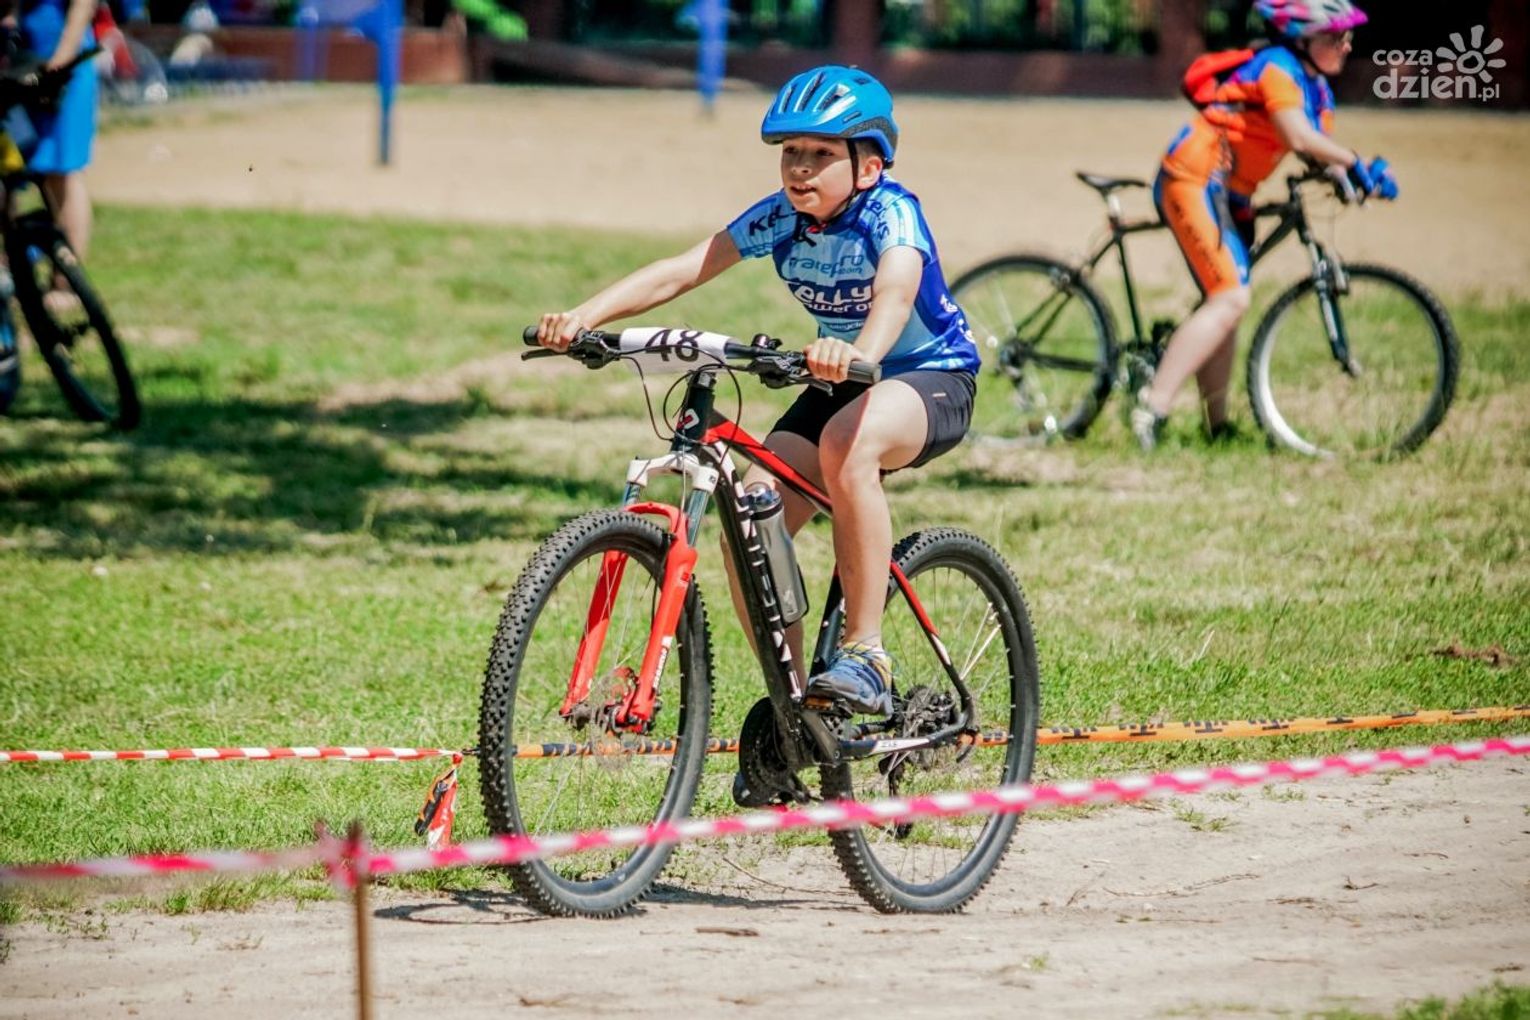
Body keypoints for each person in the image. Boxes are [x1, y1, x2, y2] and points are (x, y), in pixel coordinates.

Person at [536, 65, 980, 724]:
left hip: (928, 374)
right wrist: (584, 317)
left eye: (822, 154)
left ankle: (867, 653)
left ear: (868, 165)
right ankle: (797, 705)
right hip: (842, 378)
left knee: (846, 445)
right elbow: (685, 269)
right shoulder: (781, 218)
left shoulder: (891, 212)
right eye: (790, 151)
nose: (800, 167)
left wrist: (860, 352)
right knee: (749, 512)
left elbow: (894, 291)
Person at [1132, 0, 1397, 450]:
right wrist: (1353, 160)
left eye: (1348, 36)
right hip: (1194, 179)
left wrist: (1358, 178)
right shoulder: (1277, 67)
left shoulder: (1316, 88)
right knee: (1230, 297)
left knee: (1225, 304)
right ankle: (1151, 409)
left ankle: (1216, 428)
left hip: (1230, 193)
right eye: (1336, 36)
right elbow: (1296, 135)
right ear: (1302, 40)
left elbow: (1316, 151)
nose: (1347, 45)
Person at [18, 0, 97, 281]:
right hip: (19, 66)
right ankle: (16, 271)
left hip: (62, 69)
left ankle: (65, 282)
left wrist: (62, 59)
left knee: (62, 173)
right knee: (14, 176)